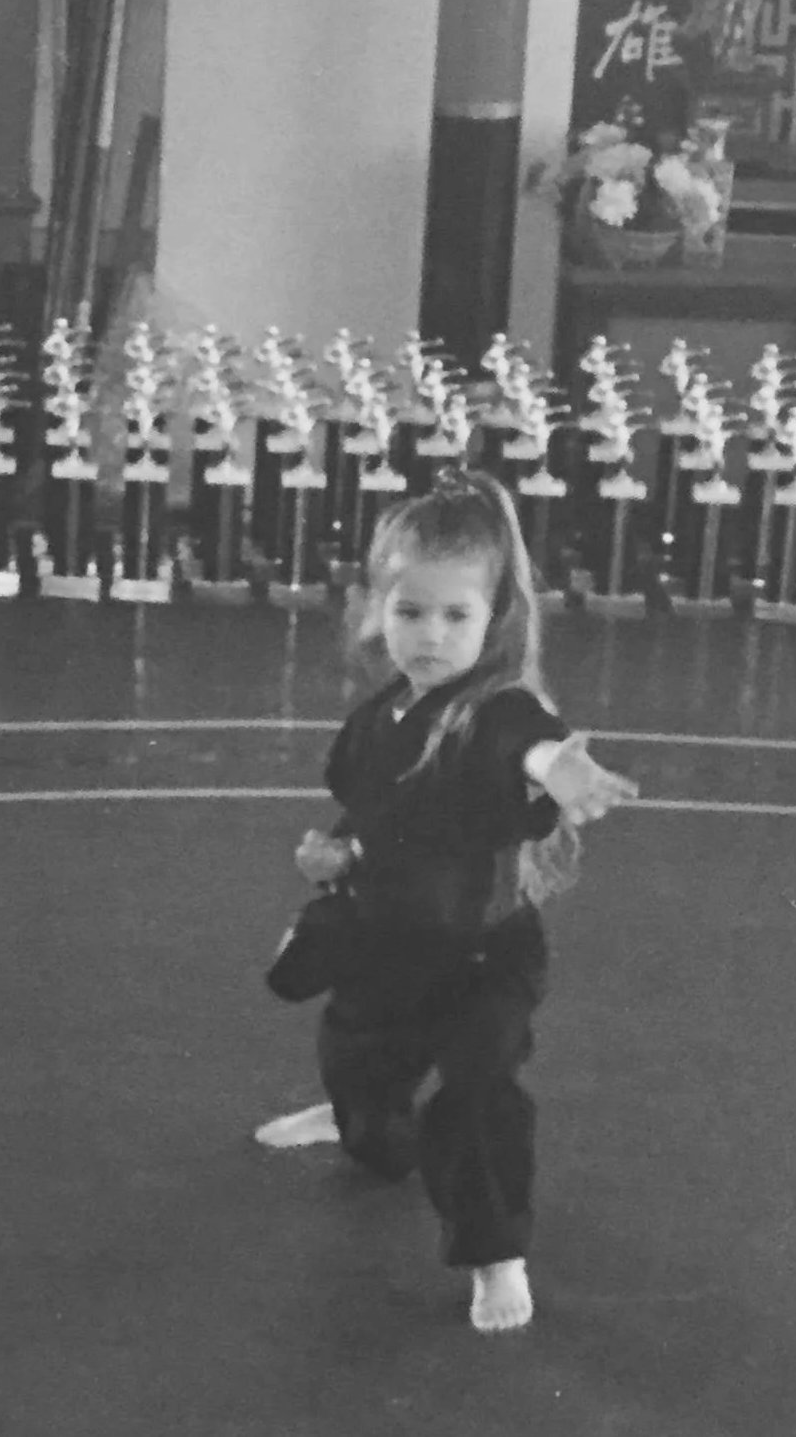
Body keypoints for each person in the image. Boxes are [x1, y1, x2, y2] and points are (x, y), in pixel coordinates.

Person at [253, 468, 639, 1334]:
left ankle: (495, 1249)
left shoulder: (494, 712)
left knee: (475, 1092)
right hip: (387, 941)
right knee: (357, 1067)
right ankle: (358, 1123)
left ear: (493, 618)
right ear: (376, 611)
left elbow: (529, 747)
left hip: (479, 958)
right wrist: (337, 851)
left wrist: (561, 767)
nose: (429, 635)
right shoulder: (378, 718)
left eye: (455, 616)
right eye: (410, 612)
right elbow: (373, 810)